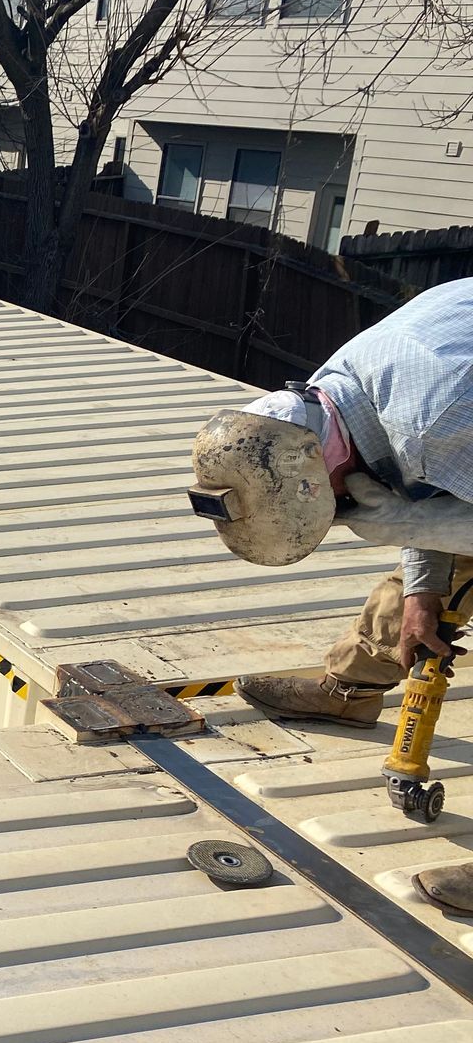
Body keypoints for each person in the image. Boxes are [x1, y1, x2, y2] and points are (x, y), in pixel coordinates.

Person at [189, 278, 473, 726]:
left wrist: (413, 523)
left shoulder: (432, 422)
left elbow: (429, 466)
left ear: (324, 467)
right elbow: (433, 487)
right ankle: (351, 690)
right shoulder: (328, 396)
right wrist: (423, 590)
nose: (346, 506)